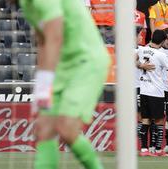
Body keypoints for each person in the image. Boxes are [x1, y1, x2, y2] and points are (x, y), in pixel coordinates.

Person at [20, 0, 110, 169]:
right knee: (44, 130)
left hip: (86, 62)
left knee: (66, 128)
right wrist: (41, 82)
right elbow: (42, 41)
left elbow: (55, 35)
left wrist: (44, 83)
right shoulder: (25, 3)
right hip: (60, 67)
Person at [136, 29, 168, 156]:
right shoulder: (161, 55)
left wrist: (141, 66)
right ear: (162, 41)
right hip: (156, 91)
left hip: (144, 90)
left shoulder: (142, 49)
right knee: (159, 121)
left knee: (145, 120)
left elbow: (134, 59)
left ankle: (144, 149)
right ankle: (157, 149)